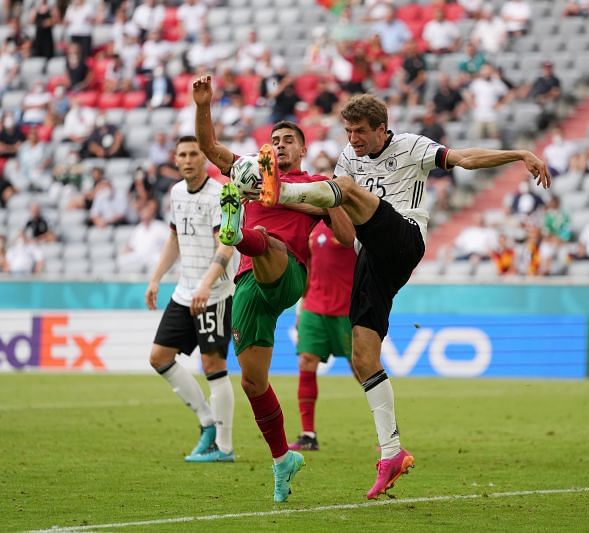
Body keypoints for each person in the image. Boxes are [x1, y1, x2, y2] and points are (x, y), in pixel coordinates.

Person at [255, 93, 550, 499]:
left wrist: (518, 153)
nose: (353, 138)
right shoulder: (348, 158)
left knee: (343, 188)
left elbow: (464, 158)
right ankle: (391, 452)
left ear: (381, 128)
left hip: (405, 237)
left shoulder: (411, 146)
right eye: (348, 131)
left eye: (360, 131)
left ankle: (282, 191)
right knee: (363, 356)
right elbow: (343, 228)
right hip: (373, 255)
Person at [192, 75, 354, 503]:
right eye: (275, 140)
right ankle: (283, 459)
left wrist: (306, 199)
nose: (280, 145)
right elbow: (210, 149)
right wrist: (204, 104)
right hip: (247, 286)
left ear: (302, 149)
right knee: (253, 382)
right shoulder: (249, 169)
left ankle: (236, 231)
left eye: (288, 141)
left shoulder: (313, 182)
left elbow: (344, 235)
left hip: (288, 273)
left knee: (265, 236)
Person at [145, 136, 238, 465]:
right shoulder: (176, 192)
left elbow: (225, 247)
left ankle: (224, 448)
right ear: (175, 158)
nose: (187, 159)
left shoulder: (220, 195)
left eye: (193, 154)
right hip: (185, 291)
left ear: (204, 158)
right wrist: (156, 278)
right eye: (181, 154)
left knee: (214, 366)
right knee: (158, 357)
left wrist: (205, 285)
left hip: (214, 293)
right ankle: (207, 422)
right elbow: (174, 238)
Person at [289, 221, 358, 451]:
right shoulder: (313, 226)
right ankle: (308, 435)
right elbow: (307, 268)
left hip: (348, 312)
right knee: (306, 361)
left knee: (362, 369)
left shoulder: (353, 224)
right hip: (313, 307)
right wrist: (300, 308)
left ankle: (387, 431)